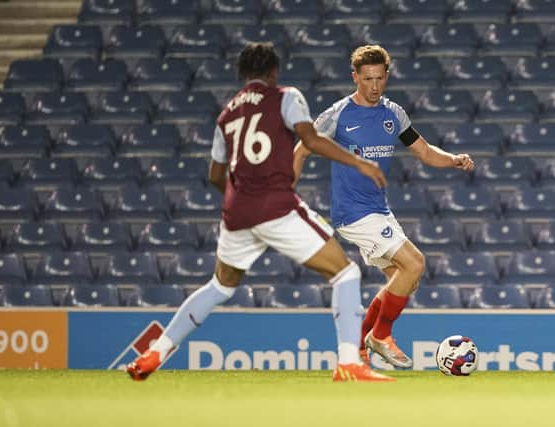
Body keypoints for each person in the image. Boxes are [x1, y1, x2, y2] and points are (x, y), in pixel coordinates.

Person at [126, 42, 394, 382]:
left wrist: (242, 198)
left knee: (220, 286)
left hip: (236, 212)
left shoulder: (227, 113)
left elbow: (214, 175)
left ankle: (156, 351)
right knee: (346, 273)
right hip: (275, 205)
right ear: (273, 72)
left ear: (243, 74)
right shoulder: (285, 96)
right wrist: (359, 162)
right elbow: (310, 140)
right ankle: (348, 363)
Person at [293, 45, 474, 369]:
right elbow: (302, 150)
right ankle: (380, 336)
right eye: (367, 79)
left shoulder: (394, 113)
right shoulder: (337, 115)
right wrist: (285, 189)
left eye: (379, 78)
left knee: (404, 279)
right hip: (353, 212)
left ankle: (361, 347)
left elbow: (425, 151)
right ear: (355, 78)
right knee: (415, 263)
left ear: (386, 76)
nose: (374, 86)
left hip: (378, 210)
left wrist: (454, 160)